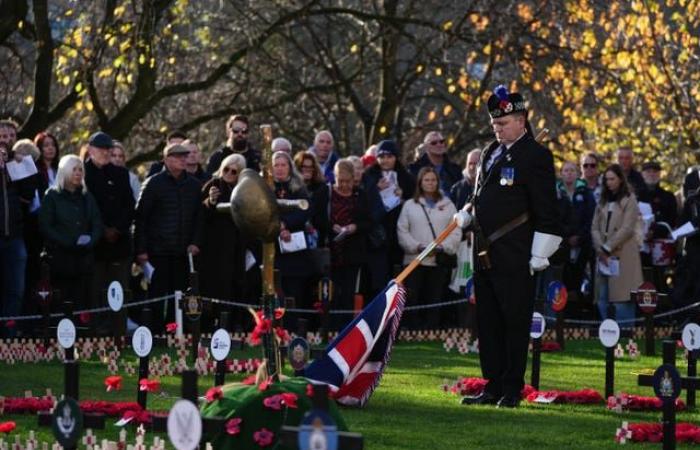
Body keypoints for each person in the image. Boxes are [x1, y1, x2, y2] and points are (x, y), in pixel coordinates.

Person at [454, 85, 561, 408]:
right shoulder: (489, 153)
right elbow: (481, 196)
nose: (497, 129)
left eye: (503, 124)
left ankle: (511, 389)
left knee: (514, 322)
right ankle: (492, 385)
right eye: (494, 124)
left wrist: (541, 251)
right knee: (488, 322)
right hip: (484, 249)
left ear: (521, 121)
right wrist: (467, 214)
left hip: (516, 252)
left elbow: (547, 209)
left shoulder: (536, 156)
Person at [134, 143, 203, 330]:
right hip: (158, 252)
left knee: (179, 296)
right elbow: (140, 219)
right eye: (177, 156)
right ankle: (154, 333)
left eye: (184, 156)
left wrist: (196, 243)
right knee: (156, 296)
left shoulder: (195, 185)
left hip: (183, 252)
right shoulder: (153, 183)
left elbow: (199, 218)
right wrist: (140, 250)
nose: (183, 159)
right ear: (166, 159)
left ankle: (175, 332)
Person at [397, 166, 461, 329]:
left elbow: (455, 230)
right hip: (414, 261)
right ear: (420, 182)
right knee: (413, 297)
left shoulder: (448, 205)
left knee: (434, 297)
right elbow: (402, 230)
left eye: (433, 180)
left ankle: (431, 329)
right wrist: (417, 246)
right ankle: (412, 330)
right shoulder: (410, 205)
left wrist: (442, 247)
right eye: (427, 180)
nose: (430, 183)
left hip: (437, 261)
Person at [83, 131, 135, 328]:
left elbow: (130, 206)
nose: (105, 153)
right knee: (96, 291)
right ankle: (96, 332)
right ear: (90, 149)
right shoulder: (83, 173)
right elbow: (85, 207)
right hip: (95, 244)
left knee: (118, 291)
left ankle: (118, 332)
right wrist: (102, 229)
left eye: (108, 149)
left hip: (118, 243)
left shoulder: (120, 173)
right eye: (101, 149)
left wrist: (118, 229)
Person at [38, 155, 103, 313]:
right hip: (59, 259)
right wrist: (67, 242)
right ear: (65, 171)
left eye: (80, 169)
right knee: (61, 302)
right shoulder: (52, 196)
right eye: (74, 169)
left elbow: (97, 223)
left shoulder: (87, 197)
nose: (78, 173)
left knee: (82, 302)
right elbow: (45, 226)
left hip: (83, 259)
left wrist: (90, 241)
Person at [361, 139, 415, 297]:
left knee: (398, 277)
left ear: (396, 157)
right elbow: (362, 201)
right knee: (378, 278)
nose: (385, 160)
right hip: (377, 235)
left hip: (399, 233)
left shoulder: (406, 177)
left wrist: (403, 196)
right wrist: (375, 189)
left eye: (389, 156)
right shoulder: (369, 175)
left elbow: (414, 200)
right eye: (382, 156)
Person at [200, 154, 249, 328]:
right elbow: (202, 212)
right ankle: (210, 327)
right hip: (215, 248)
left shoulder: (243, 190)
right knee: (215, 287)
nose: (228, 173)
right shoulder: (213, 185)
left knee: (235, 286)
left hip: (236, 247)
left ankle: (231, 325)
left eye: (233, 171)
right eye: (226, 168)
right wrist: (211, 201)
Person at [591, 164, 643, 324]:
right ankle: (609, 333)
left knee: (622, 298)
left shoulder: (630, 199)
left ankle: (626, 335)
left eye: (612, 179)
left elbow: (627, 228)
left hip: (623, 255)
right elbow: (595, 227)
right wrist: (601, 249)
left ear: (621, 179)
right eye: (606, 179)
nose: (609, 182)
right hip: (603, 257)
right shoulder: (602, 201)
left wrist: (608, 248)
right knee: (602, 298)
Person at [327, 159, 370, 330]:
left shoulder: (361, 195)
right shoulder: (327, 193)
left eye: (347, 181)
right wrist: (332, 226)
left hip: (352, 251)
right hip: (331, 251)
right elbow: (317, 218)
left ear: (354, 179)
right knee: (331, 292)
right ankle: (329, 327)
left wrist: (355, 227)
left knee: (348, 292)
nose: (344, 185)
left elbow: (369, 221)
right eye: (340, 180)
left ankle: (345, 328)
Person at [271, 151, 312, 328]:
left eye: (283, 165)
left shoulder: (299, 188)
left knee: (295, 292)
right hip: (274, 247)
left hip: (295, 249)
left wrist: (286, 224)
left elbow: (304, 211)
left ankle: (297, 329)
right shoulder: (266, 188)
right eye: (276, 165)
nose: (280, 169)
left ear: (289, 167)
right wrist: (278, 227)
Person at [0, 141, 33, 338]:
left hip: (14, 237)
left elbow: (29, 195)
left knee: (15, 290)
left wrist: (17, 164)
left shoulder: (13, 170)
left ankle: (9, 336)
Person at [557, 161, 596, 300]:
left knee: (580, 280)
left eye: (572, 170)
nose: (569, 173)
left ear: (578, 174)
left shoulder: (585, 193)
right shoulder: (555, 194)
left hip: (583, 244)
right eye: (566, 170)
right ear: (561, 173)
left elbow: (591, 217)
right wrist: (565, 237)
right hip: (561, 245)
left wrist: (579, 237)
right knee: (562, 280)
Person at [637, 161, 677, 291]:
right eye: (648, 171)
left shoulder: (668, 197)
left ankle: (662, 308)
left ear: (660, 174)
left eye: (655, 172)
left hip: (661, 249)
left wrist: (654, 232)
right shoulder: (635, 196)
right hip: (639, 247)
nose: (652, 174)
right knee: (640, 282)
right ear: (642, 174)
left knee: (660, 283)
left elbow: (672, 221)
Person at [294, 151, 330, 246]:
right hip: (296, 233)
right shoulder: (292, 188)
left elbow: (319, 213)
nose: (308, 170)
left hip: (316, 235)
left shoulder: (322, 188)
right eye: (304, 167)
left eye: (310, 167)